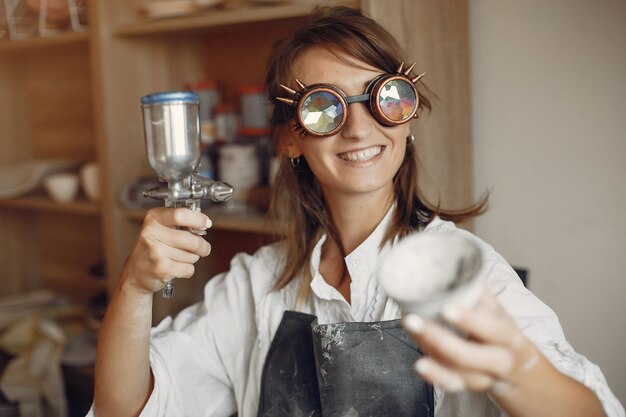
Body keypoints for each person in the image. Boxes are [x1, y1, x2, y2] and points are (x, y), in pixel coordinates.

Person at [90, 6, 624, 417]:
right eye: (325, 106)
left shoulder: (465, 273)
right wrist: (135, 289)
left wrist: (519, 369)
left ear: (408, 118)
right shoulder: (258, 284)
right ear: (291, 139)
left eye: (383, 97)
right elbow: (127, 407)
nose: (360, 127)